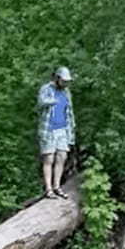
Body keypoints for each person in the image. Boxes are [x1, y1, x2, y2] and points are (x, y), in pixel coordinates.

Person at [37, 66, 76, 199]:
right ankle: (48, 189)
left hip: (63, 129)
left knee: (62, 157)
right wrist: (52, 101)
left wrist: (71, 132)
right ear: (57, 78)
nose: (66, 83)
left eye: (67, 81)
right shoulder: (46, 89)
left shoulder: (67, 92)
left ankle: (57, 187)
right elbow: (41, 102)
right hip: (48, 130)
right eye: (64, 80)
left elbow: (70, 113)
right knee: (49, 159)